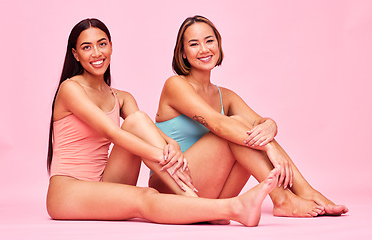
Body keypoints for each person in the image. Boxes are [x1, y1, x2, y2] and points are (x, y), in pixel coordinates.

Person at [46, 18, 281, 227]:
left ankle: (196, 203)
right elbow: (113, 133)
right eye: (87, 47)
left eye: (102, 44)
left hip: (107, 181)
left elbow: (143, 128)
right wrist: (163, 156)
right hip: (69, 189)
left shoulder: (121, 97)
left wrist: (171, 145)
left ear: (111, 47)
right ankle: (227, 207)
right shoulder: (70, 89)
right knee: (144, 196)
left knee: (137, 119)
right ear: (76, 54)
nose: (97, 53)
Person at [149, 15, 348, 217]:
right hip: (171, 185)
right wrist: (268, 147)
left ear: (218, 44)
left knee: (249, 131)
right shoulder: (175, 85)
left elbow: (259, 123)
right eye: (194, 44)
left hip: (210, 194)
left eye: (209, 41)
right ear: (182, 53)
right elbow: (218, 124)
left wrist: (270, 125)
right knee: (235, 127)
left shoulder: (225, 96)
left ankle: (307, 191)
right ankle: (282, 199)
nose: (204, 49)